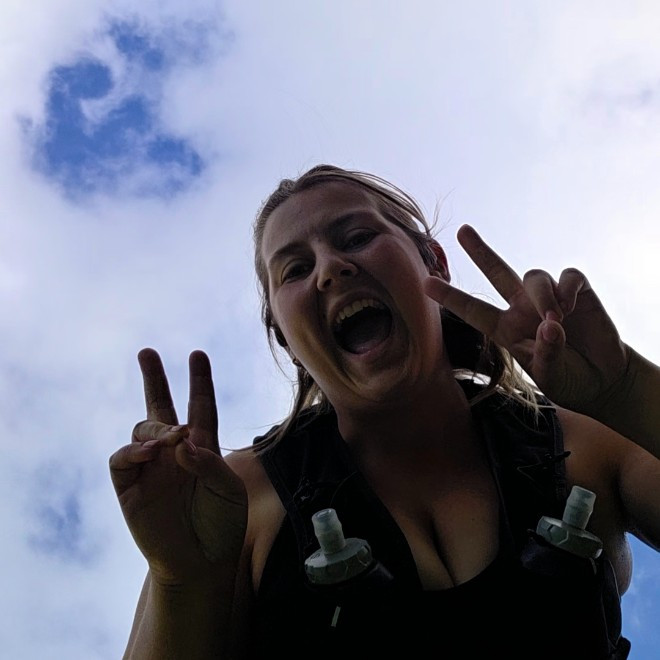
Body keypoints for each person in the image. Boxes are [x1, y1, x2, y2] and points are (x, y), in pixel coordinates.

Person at [110, 164, 660, 659]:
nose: (330, 269)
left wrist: (627, 392)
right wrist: (183, 579)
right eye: (295, 269)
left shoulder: (582, 446)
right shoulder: (240, 500)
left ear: (434, 264)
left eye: (357, 237)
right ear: (283, 335)